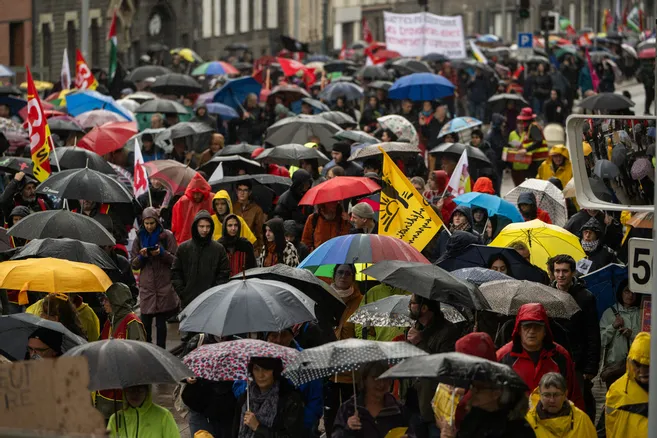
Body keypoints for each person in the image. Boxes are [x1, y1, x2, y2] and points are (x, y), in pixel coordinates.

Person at [497, 303, 584, 411]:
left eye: (537, 327)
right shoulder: (502, 357)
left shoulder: (560, 356)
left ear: (545, 331)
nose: (532, 331)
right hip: (515, 423)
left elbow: (574, 395)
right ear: (519, 330)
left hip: (553, 423)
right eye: (527, 326)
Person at [550, 255, 600, 420]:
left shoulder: (585, 297)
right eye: (557, 271)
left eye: (565, 271)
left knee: (578, 404)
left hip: (577, 360)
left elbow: (592, 333)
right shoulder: (547, 294)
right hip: (553, 357)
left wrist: (591, 367)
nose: (561, 275)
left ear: (572, 273)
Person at [406, 294, 461, 436]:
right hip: (413, 401)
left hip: (433, 405)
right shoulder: (415, 328)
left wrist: (420, 342)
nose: (409, 306)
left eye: (412, 303)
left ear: (423, 308)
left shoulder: (448, 331)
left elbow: (442, 366)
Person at [96, 283, 147, 419]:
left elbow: (138, 356)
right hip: (107, 388)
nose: (103, 303)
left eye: (106, 300)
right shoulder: (110, 322)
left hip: (123, 390)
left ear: (116, 301)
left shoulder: (132, 323)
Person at [130, 207, 179, 348]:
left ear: (157, 222)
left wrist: (162, 253)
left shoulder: (167, 236)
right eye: (147, 223)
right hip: (147, 287)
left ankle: (161, 350)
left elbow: (175, 260)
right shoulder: (139, 238)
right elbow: (134, 264)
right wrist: (142, 257)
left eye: (152, 223)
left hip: (163, 285)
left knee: (161, 324)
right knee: (145, 323)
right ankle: (148, 349)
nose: (150, 226)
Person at [324, 264, 362, 436]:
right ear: (334, 275)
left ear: (353, 277)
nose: (343, 276)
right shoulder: (325, 297)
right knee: (330, 412)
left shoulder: (360, 300)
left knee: (351, 411)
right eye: (340, 272)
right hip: (328, 363)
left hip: (351, 366)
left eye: (348, 273)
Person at [331, 361, 408, 438]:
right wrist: (347, 429)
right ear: (364, 380)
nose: (381, 384)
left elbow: (412, 431)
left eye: (385, 378)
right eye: (376, 378)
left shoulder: (398, 409)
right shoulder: (348, 409)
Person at [233, 357, 304, 438]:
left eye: (266, 369)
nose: (261, 375)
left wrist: (258, 427)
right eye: (256, 369)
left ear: (275, 371)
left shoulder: (289, 400)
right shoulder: (245, 398)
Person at [172, 210, 230, 309]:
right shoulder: (184, 248)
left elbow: (224, 273)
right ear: (195, 227)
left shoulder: (218, 249)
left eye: (208, 226)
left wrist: (214, 292)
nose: (205, 230)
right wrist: (184, 293)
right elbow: (176, 273)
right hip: (188, 302)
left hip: (212, 301)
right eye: (201, 226)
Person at [601, 332, 649, 437]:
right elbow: (606, 427)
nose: (643, 370)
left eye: (647, 365)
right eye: (638, 364)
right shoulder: (616, 390)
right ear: (630, 362)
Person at [525, 372, 596, 438]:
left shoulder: (582, 420)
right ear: (540, 394)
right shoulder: (528, 423)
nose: (552, 400)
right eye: (547, 395)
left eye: (556, 395)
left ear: (565, 394)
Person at [599, 281, 641, 388]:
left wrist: (631, 334)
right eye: (626, 291)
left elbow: (648, 339)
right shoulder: (609, 313)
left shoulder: (641, 313)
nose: (630, 295)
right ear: (620, 293)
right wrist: (613, 326)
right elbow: (601, 340)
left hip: (638, 366)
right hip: (615, 367)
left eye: (634, 292)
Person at [108, 385, 180, 438]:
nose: (135, 394)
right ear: (124, 392)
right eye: (130, 390)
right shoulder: (115, 419)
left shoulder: (164, 416)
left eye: (140, 390)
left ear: (147, 391)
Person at [171, 173, 213, 244]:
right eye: (194, 193)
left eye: (199, 193)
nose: (196, 196)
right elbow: (175, 224)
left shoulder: (212, 199)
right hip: (186, 240)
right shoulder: (182, 202)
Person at [233, 181, 266, 253]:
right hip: (234, 246)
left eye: (245, 190)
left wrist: (260, 249)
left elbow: (259, 232)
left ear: (250, 192)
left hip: (250, 246)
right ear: (236, 191)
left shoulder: (257, 210)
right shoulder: (232, 207)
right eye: (240, 190)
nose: (242, 193)